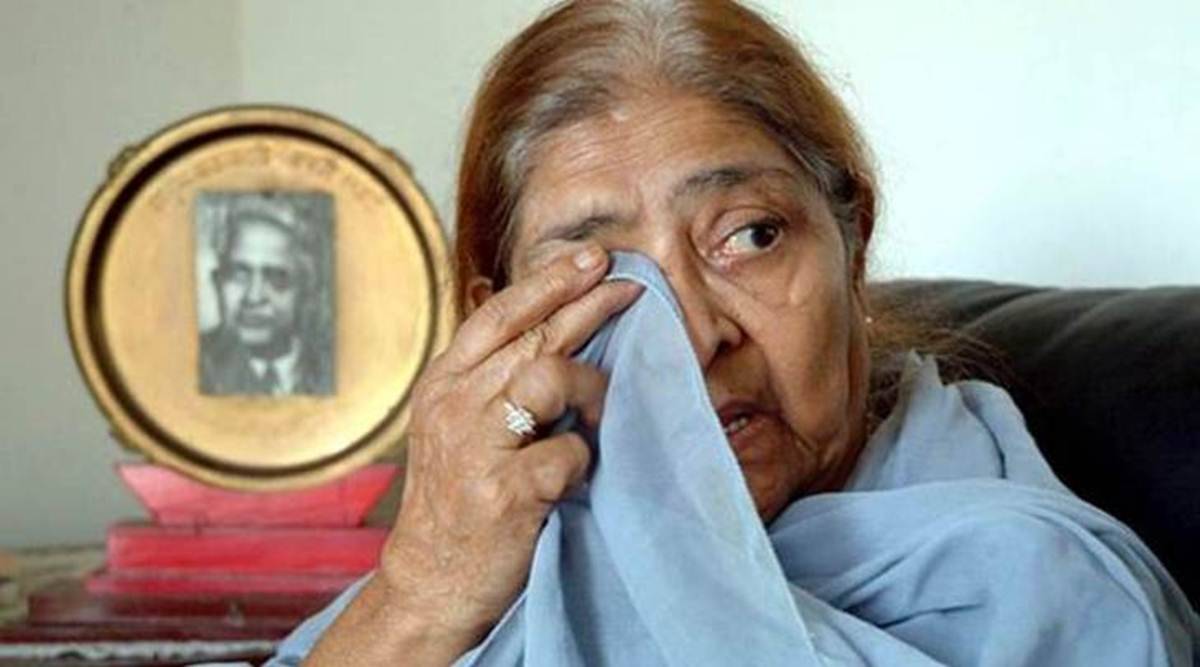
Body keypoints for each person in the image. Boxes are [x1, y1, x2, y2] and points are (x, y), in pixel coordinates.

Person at [273, 1, 1198, 664]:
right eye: (608, 274)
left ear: (851, 246)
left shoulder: (1051, 594)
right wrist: (416, 601)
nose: (692, 338)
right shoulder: (471, 579)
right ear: (500, 325)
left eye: (750, 236)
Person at [199, 195, 333, 396]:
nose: (253, 297)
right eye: (238, 275)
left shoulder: (332, 366)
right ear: (217, 282)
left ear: (307, 289)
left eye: (276, 277)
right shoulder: (192, 363)